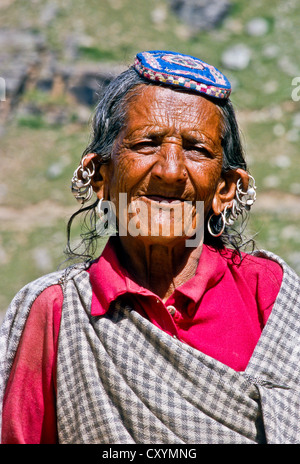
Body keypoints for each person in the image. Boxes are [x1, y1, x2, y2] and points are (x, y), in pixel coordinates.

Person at [0, 50, 299, 445]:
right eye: (146, 143)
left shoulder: (271, 296)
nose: (170, 171)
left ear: (225, 189)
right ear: (100, 177)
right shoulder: (57, 312)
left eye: (196, 149)